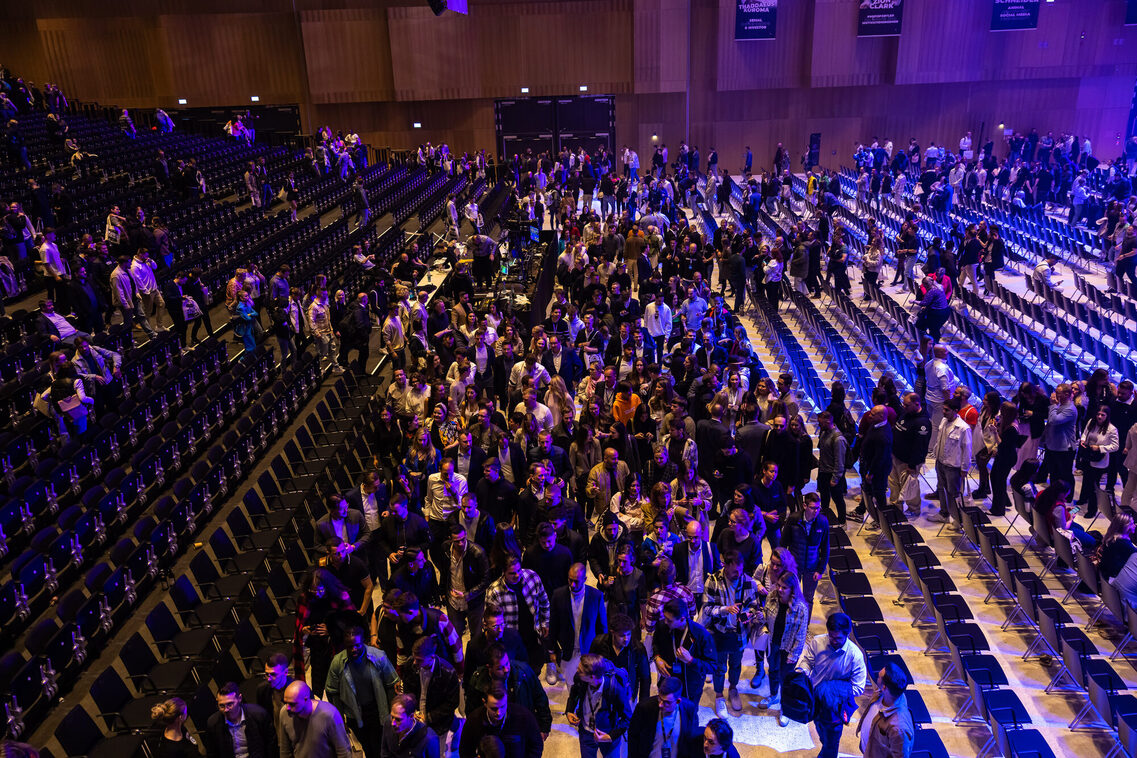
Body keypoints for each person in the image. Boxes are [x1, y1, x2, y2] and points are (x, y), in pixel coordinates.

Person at [798, 613, 868, 758]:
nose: (834, 641)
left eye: (838, 638)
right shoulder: (817, 642)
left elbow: (859, 687)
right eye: (831, 636)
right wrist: (801, 672)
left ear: (847, 634)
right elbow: (808, 662)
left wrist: (830, 690)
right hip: (815, 700)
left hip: (836, 707)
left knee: (832, 742)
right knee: (820, 729)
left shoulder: (855, 656)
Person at [324, 627, 400, 758]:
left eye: (357, 645)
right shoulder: (337, 662)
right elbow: (332, 692)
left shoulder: (379, 656)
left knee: (380, 746)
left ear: (363, 642)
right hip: (354, 713)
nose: (354, 649)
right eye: (350, 646)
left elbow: (392, 685)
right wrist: (340, 720)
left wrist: (391, 714)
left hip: (378, 711)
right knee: (366, 746)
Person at [702, 550, 760, 718]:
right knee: (719, 667)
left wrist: (749, 614)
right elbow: (706, 609)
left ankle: (733, 689)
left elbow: (754, 606)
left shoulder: (749, 582)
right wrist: (725, 610)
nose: (738, 574)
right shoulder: (712, 581)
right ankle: (719, 696)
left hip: (739, 634)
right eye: (734, 571)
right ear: (725, 566)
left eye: (740, 570)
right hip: (719, 633)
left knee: (735, 665)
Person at [549, 562, 608, 685]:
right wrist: (552, 650)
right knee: (572, 686)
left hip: (589, 651)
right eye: (570, 580)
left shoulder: (596, 596)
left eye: (576, 581)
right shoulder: (558, 595)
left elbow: (602, 627)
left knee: (589, 686)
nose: (572, 584)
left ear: (585, 579)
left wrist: (602, 653)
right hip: (568, 652)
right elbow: (553, 625)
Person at [651, 597, 717, 705]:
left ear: (682, 619)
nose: (665, 622)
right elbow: (655, 643)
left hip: (690, 687)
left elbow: (712, 666)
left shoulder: (701, 634)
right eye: (665, 618)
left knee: (689, 717)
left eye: (669, 620)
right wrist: (657, 657)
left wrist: (691, 660)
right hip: (667, 683)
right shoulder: (662, 626)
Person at [566, 654, 631, 758]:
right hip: (586, 733)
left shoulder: (614, 689)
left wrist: (610, 736)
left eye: (580, 671)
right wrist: (569, 710)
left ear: (592, 677)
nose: (577, 672)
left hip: (607, 734)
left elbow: (627, 718)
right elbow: (574, 692)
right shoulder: (580, 679)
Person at [401, 636, 461, 748]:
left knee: (436, 752)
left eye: (419, 660)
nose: (414, 662)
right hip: (416, 719)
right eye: (414, 657)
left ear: (431, 657)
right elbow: (408, 690)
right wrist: (412, 709)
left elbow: (452, 703)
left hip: (438, 725)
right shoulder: (410, 665)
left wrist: (428, 717)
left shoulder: (448, 672)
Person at [457, 681, 544, 758]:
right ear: (485, 703)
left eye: (502, 706)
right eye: (494, 708)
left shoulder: (523, 716)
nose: (499, 713)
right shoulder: (474, 721)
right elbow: (465, 751)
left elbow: (536, 745)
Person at [627, 677, 702, 758]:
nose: (660, 704)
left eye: (667, 702)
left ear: (678, 701)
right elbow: (633, 737)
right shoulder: (644, 708)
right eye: (660, 698)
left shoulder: (689, 708)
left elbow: (692, 738)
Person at [779, 494, 829, 610]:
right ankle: (790, 624)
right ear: (805, 506)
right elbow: (783, 544)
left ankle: (805, 627)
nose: (816, 511)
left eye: (818, 508)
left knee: (808, 598)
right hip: (794, 566)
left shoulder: (823, 521)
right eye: (813, 508)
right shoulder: (793, 519)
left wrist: (820, 570)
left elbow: (825, 547)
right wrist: (785, 565)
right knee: (791, 595)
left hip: (812, 568)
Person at [279, 680, 353, 758]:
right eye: (285, 702)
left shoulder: (329, 715)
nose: (287, 708)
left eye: (292, 704)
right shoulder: (284, 713)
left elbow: (343, 752)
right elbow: (285, 751)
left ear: (306, 699)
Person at [855, 663, 915, 758]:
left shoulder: (899, 728)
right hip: (869, 750)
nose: (876, 676)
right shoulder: (883, 693)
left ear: (884, 687)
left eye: (879, 677)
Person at [590, 613, 652, 704]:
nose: (626, 639)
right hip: (602, 695)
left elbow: (645, 678)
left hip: (627, 696)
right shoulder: (599, 643)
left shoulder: (637, 648)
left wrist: (643, 704)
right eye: (622, 635)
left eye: (629, 634)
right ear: (612, 632)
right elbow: (589, 668)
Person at [203, 682, 277, 758]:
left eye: (230, 704)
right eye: (221, 706)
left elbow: (271, 746)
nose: (226, 710)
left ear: (239, 698)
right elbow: (212, 753)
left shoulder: (259, 715)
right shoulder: (213, 723)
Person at [929, 398, 971, 524]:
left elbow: (967, 450)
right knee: (941, 489)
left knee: (953, 494)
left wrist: (964, 468)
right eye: (943, 409)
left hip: (953, 467)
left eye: (946, 410)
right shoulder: (944, 420)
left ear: (955, 411)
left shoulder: (963, 428)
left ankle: (958, 520)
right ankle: (944, 513)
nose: (943, 412)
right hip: (940, 462)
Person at [1078, 406, 1119, 515]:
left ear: (1107, 416)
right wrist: (1083, 440)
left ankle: (1092, 510)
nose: (1099, 417)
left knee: (1094, 486)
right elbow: (1085, 433)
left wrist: (1100, 448)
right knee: (1086, 480)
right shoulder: (1091, 422)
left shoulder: (1112, 429)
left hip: (1099, 459)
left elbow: (1115, 446)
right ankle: (1083, 500)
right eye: (1098, 414)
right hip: (1088, 456)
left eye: (1102, 415)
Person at [382, 694, 441, 758]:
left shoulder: (429, 738)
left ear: (411, 716)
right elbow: (385, 753)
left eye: (398, 720)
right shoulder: (388, 722)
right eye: (392, 717)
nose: (393, 723)